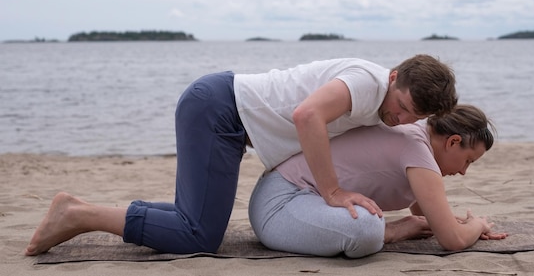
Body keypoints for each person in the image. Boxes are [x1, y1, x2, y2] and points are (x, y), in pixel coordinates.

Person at [25, 54, 457, 255]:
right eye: (402, 107)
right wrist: (332, 192)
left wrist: (438, 217)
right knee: (198, 236)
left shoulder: (387, 105)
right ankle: (78, 216)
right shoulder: (367, 83)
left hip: (226, 118)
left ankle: (80, 209)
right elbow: (307, 115)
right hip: (217, 108)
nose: (400, 119)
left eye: (412, 116)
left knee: (193, 222)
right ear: (395, 76)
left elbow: (411, 155)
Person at [248, 104, 507, 258]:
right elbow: (453, 241)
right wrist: (477, 224)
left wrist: (448, 222)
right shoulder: (416, 149)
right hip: (281, 207)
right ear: (453, 142)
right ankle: (390, 231)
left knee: (369, 223)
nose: (463, 172)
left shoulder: (415, 137)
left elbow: (428, 214)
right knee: (367, 228)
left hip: (292, 201)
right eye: (468, 160)